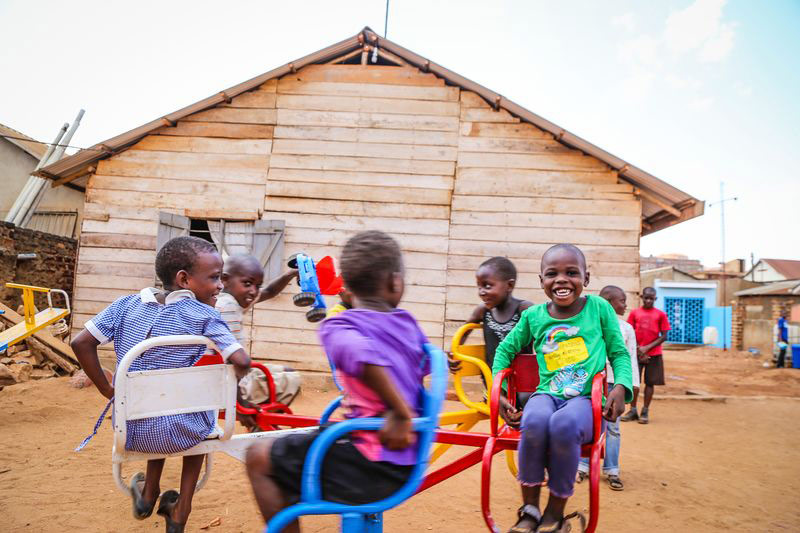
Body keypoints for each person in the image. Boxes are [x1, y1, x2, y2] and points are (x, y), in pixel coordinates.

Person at [246, 231, 429, 532]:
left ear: (345, 287)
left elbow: (362, 354)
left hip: (371, 465)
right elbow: (422, 365)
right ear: (396, 283)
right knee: (308, 439)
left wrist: (398, 410)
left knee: (259, 457)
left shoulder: (338, 325)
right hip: (408, 461)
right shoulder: (408, 324)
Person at [71, 236, 251, 533]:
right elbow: (241, 361)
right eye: (215, 278)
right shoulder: (205, 315)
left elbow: (81, 342)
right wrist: (236, 379)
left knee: (157, 405)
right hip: (188, 434)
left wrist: (107, 389)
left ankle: (149, 493)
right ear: (184, 280)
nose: (220, 286)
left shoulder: (125, 306)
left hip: (131, 431)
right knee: (194, 409)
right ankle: (181, 510)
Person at [493, 244, 633, 533]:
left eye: (572, 273)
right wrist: (501, 393)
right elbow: (505, 351)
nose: (561, 280)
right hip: (547, 394)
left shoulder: (599, 308)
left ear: (586, 278)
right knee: (533, 420)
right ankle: (530, 511)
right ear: (541, 280)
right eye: (552, 273)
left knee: (564, 425)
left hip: (585, 400)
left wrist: (620, 386)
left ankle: (554, 513)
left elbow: (619, 353)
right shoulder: (534, 317)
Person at [216, 254, 301, 411]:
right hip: (230, 386)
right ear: (225, 280)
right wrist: (239, 404)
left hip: (233, 377)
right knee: (292, 378)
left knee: (287, 371)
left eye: (257, 285)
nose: (254, 291)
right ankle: (260, 424)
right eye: (247, 283)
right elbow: (229, 361)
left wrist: (290, 273)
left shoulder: (229, 300)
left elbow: (269, 291)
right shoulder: (227, 308)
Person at [576, 285, 639, 491]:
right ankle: (583, 466)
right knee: (590, 425)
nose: (625, 304)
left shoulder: (626, 329)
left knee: (613, 427)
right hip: (591, 384)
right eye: (622, 300)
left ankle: (612, 470)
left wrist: (630, 386)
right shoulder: (589, 325)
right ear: (608, 302)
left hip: (614, 385)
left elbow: (629, 360)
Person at [448, 256, 533, 376]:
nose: (481, 292)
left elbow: (543, 334)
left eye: (487, 286)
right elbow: (463, 332)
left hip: (522, 379)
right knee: (493, 394)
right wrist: (452, 353)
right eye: (479, 286)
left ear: (509, 285)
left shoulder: (523, 309)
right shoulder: (483, 311)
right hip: (491, 379)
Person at [621, 287, 670, 425]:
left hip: (654, 354)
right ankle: (633, 410)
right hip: (636, 354)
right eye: (646, 298)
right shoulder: (635, 313)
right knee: (634, 383)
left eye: (651, 298)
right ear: (642, 297)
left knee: (650, 383)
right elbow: (629, 332)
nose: (648, 300)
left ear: (655, 299)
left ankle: (645, 410)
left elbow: (664, 336)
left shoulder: (660, 314)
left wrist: (647, 348)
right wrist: (638, 350)